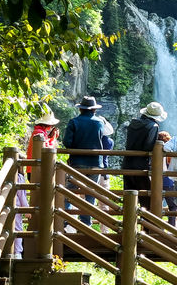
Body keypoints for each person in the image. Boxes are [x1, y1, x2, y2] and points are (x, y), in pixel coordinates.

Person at [63, 96, 106, 226]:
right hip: (95, 163)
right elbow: (101, 139)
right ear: (94, 110)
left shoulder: (74, 122)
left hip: (77, 162)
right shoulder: (99, 123)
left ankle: (65, 221)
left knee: (70, 192)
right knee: (90, 194)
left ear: (81, 109)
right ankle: (86, 224)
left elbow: (67, 142)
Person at [123, 101, 167, 209]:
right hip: (141, 165)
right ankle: (147, 225)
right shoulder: (153, 126)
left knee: (129, 197)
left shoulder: (133, 123)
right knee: (148, 200)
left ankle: (128, 224)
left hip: (127, 163)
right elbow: (149, 146)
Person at [26, 111, 59, 178]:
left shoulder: (39, 132)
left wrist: (51, 137)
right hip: (36, 169)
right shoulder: (40, 133)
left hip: (33, 168)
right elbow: (48, 151)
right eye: (52, 125)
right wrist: (53, 138)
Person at [96, 118, 115, 233]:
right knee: (104, 203)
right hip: (104, 173)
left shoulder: (92, 140)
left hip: (90, 171)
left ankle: (81, 228)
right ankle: (105, 231)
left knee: (84, 200)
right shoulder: (109, 141)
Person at [158, 131, 177, 227]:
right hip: (168, 181)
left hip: (155, 181)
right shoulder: (170, 150)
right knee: (173, 206)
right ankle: (172, 227)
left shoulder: (154, 148)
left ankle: (157, 226)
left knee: (156, 205)